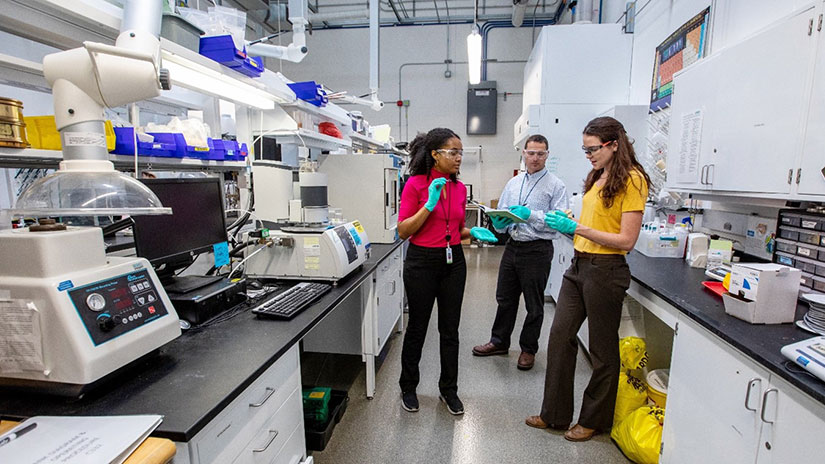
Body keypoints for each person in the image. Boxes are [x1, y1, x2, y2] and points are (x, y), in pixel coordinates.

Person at [526, 116, 650, 442]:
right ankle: (553, 414)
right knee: (559, 336)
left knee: (601, 350)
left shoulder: (633, 180)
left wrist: (577, 229)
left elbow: (625, 240)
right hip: (579, 266)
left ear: (613, 144)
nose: (588, 155)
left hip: (606, 270)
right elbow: (596, 219)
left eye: (593, 148)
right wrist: (569, 220)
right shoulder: (598, 175)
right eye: (585, 149)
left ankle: (593, 419)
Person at [397, 127, 497, 415]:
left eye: (460, 153)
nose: (458, 159)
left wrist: (471, 233)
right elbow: (405, 230)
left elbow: (454, 228)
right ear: (435, 155)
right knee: (417, 326)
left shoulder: (458, 188)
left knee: (450, 329)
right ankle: (408, 387)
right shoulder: (415, 184)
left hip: (453, 263)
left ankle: (448, 390)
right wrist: (428, 204)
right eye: (453, 153)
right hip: (421, 263)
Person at [471, 134, 569, 371]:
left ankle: (528, 349)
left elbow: (559, 221)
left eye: (540, 153)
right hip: (513, 247)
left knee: (534, 304)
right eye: (531, 153)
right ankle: (499, 342)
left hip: (537, 249)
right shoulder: (514, 183)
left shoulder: (556, 185)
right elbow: (502, 217)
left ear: (547, 155)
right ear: (523, 153)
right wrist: (499, 222)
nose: (535, 158)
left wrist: (531, 215)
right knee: (504, 298)